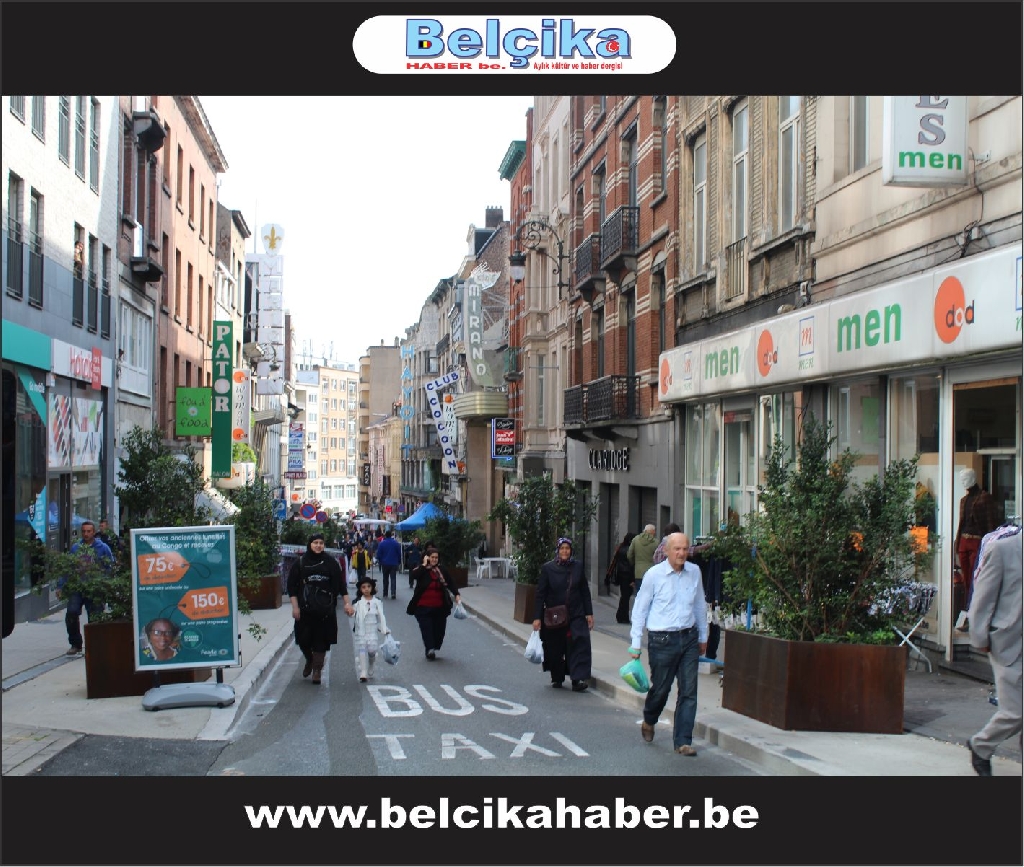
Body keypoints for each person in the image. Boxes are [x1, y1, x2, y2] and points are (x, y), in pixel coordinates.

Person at [629, 532, 708, 756]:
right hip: (661, 640)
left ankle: (683, 741)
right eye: (677, 549)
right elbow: (640, 609)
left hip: (689, 637)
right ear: (666, 551)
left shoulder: (694, 572)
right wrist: (635, 643)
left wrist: (703, 636)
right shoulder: (653, 575)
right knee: (661, 689)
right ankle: (650, 718)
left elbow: (699, 604)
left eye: (685, 549)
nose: (682, 553)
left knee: (689, 691)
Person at [965, 525, 1022, 776]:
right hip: (1008, 642)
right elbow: (983, 597)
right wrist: (980, 637)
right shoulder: (1002, 549)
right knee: (1015, 712)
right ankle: (981, 745)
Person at [286, 533, 353, 684]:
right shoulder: (301, 562)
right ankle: (309, 659)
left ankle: (317, 670)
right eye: (315, 542)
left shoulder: (331, 562)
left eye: (321, 543)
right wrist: (295, 607)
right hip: (305, 609)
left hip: (325, 609)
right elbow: (292, 587)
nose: (318, 545)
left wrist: (347, 603)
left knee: (321, 641)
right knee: (303, 639)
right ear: (310, 544)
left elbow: (341, 585)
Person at [533, 537, 594, 691]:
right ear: (558, 550)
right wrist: (537, 617)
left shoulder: (578, 567)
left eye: (567, 549)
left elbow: (584, 591)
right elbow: (540, 594)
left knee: (579, 645)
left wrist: (589, 613)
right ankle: (557, 677)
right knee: (555, 648)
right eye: (562, 549)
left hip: (576, 613)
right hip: (555, 615)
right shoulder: (548, 568)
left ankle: (577, 679)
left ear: (571, 551)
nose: (565, 551)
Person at [57, 520, 114, 656]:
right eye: (83, 531)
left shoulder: (102, 547)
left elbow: (110, 566)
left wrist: (106, 584)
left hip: (94, 588)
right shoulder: (76, 548)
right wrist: (61, 586)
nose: (86, 534)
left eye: (89, 531)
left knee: (95, 617)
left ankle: (93, 646)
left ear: (94, 532)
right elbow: (68, 568)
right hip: (78, 587)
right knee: (71, 613)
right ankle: (75, 644)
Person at [954, 468, 1000, 612]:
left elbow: (991, 521)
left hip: (977, 540)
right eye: (962, 479)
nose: (963, 482)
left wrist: (991, 543)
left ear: (973, 478)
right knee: (966, 575)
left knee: (976, 575)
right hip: (964, 540)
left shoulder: (985, 498)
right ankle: (967, 607)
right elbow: (961, 523)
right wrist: (957, 543)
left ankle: (975, 607)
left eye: (966, 479)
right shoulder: (963, 500)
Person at [407, 546, 460, 660]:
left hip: (440, 607)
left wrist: (456, 594)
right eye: (432, 557)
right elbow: (413, 575)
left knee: (439, 630)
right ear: (427, 557)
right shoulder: (422, 569)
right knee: (427, 629)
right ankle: (429, 649)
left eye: (436, 557)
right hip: (423, 607)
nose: (434, 559)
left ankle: (434, 645)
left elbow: (450, 582)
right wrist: (424, 564)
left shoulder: (442, 570)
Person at [352, 576, 390, 683]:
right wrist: (350, 611)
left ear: (372, 588)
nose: (366, 589)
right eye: (363, 587)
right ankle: (363, 672)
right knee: (362, 649)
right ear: (360, 589)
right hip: (361, 630)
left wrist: (384, 628)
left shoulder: (377, 602)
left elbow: (381, 616)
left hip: (372, 630)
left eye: (368, 586)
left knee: (372, 651)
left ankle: (371, 663)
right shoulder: (358, 602)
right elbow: (353, 613)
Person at [610, 532, 636, 624]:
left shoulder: (620, 548)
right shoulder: (630, 550)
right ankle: (623, 616)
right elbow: (631, 565)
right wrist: (633, 579)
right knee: (626, 597)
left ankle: (621, 615)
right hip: (628, 575)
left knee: (624, 596)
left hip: (621, 574)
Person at [626, 523, 658, 593]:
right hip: (651, 572)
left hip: (638, 572)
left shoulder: (635, 540)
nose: (655, 533)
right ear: (652, 531)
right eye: (654, 531)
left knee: (639, 593)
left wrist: (634, 563)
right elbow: (658, 558)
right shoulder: (656, 542)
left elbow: (629, 555)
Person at [375, 530, 403, 600]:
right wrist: (399, 561)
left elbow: (379, 554)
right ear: (391, 535)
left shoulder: (382, 543)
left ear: (385, 536)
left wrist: (380, 561)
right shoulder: (396, 543)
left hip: (384, 563)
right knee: (393, 578)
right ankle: (393, 593)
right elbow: (399, 553)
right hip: (393, 563)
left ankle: (385, 593)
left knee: (385, 578)